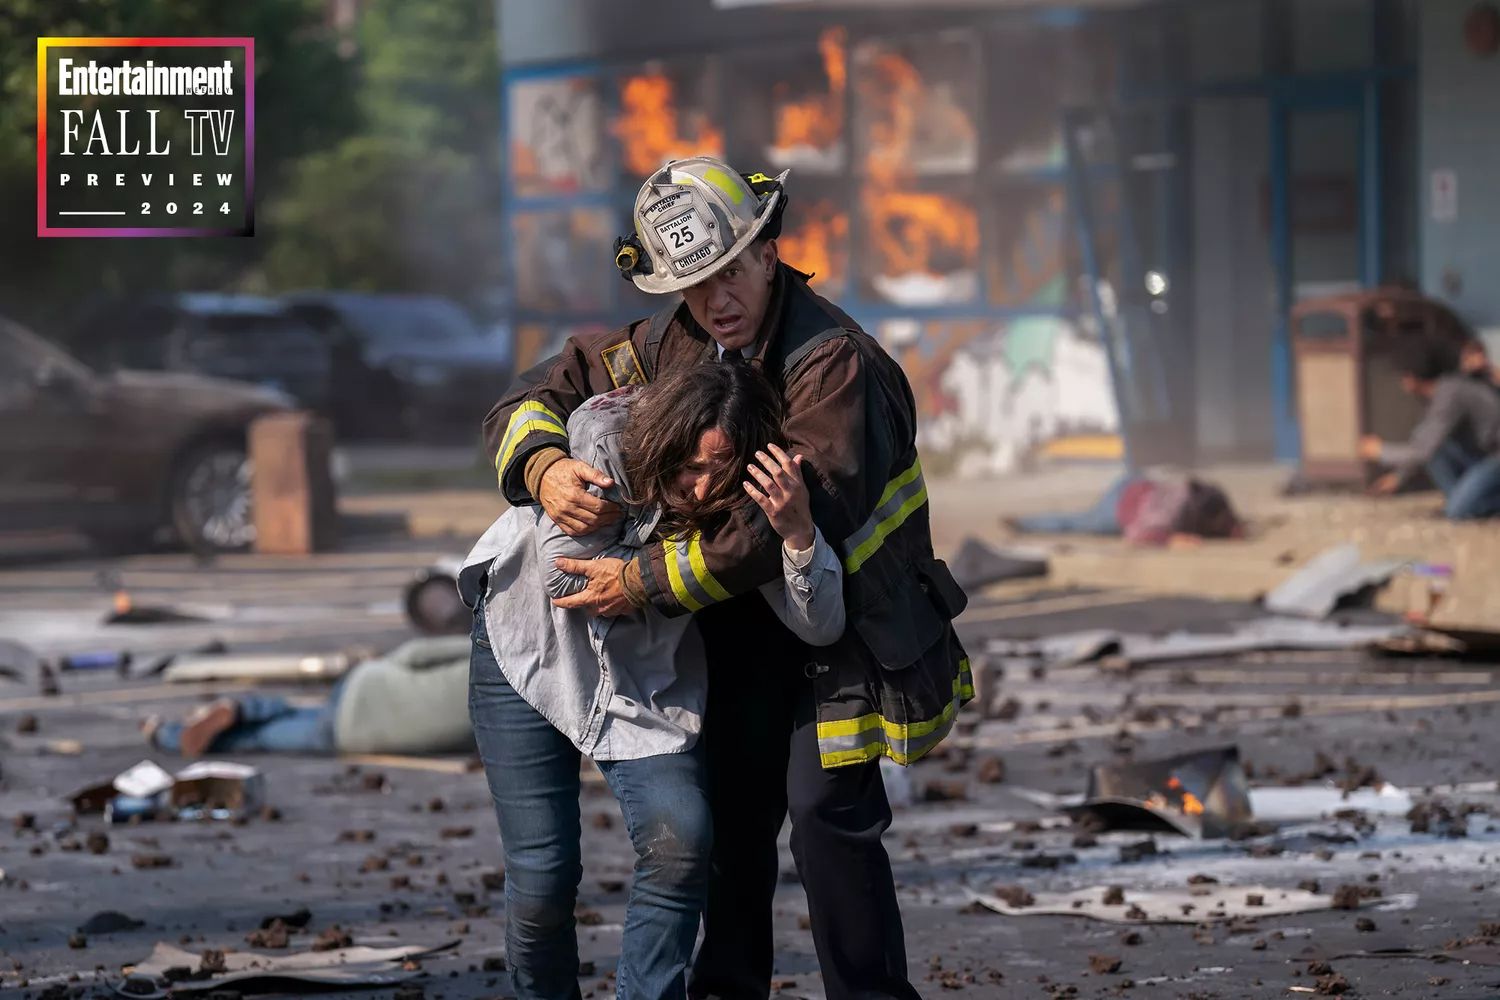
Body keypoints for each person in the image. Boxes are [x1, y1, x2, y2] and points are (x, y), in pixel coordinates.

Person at [482, 155, 970, 1000]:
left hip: (841, 629)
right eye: (696, 283)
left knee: (827, 824)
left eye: (731, 270)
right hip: (740, 630)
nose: (717, 299)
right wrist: (543, 464)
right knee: (735, 831)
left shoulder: (831, 363)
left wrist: (638, 583)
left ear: (769, 252)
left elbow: (759, 526)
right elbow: (539, 390)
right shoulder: (673, 345)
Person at [459, 360, 845, 1000]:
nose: (698, 492)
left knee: (682, 839)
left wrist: (795, 534)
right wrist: (688, 563)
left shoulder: (738, 515)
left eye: (718, 475)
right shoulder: (606, 437)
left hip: (646, 679)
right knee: (542, 878)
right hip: (528, 652)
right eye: (688, 468)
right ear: (663, 442)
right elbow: (569, 577)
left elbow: (821, 625)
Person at [142, 636, 474, 757]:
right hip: (357, 737)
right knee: (264, 738)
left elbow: (418, 652)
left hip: (366, 687)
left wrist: (377, 662)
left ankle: (243, 707)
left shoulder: (486, 654)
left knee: (297, 708)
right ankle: (166, 735)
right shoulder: (514, 718)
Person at [1359, 337, 1500, 519]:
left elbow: (1422, 451)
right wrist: (1400, 476)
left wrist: (1380, 451)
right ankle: (1463, 500)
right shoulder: (1446, 390)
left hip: (1494, 457)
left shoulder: (1451, 394)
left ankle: (1469, 505)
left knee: (1458, 512)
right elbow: (1425, 442)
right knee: (1438, 450)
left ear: (1411, 378)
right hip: (1483, 455)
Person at [1008, 474, 1243, 547]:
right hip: (1120, 509)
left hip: (1134, 483)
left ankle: (1024, 523)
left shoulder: (1196, 494)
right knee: (1079, 522)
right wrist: (1172, 539)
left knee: (1078, 519)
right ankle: (1025, 524)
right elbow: (1135, 535)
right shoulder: (1168, 517)